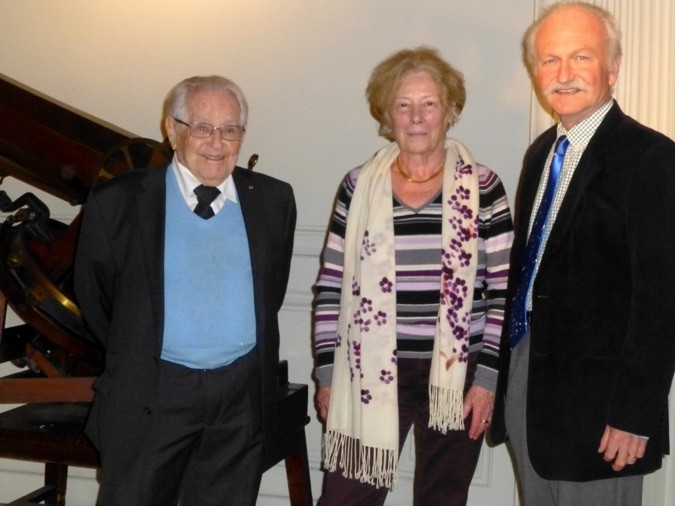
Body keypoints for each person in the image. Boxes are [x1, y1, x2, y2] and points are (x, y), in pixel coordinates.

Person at [74, 75, 296, 505]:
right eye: (201, 127)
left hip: (240, 398)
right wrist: (145, 348)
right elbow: (95, 297)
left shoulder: (273, 201)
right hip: (152, 394)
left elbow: (272, 290)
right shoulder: (117, 203)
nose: (216, 141)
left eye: (230, 129)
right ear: (172, 130)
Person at [490, 3, 675, 505]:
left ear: (612, 68)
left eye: (581, 57)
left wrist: (635, 414)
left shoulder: (651, 159)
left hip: (602, 413)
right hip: (530, 386)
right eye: (550, 60)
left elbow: (661, 301)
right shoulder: (540, 154)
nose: (564, 74)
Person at [312, 46, 514, 506]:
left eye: (429, 104)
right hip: (368, 372)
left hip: (455, 377)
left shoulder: (484, 187)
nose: (417, 117)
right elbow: (329, 284)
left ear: (451, 111)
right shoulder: (357, 185)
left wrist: (487, 381)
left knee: (442, 498)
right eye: (404, 104)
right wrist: (327, 374)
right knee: (345, 498)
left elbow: (504, 291)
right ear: (388, 114)